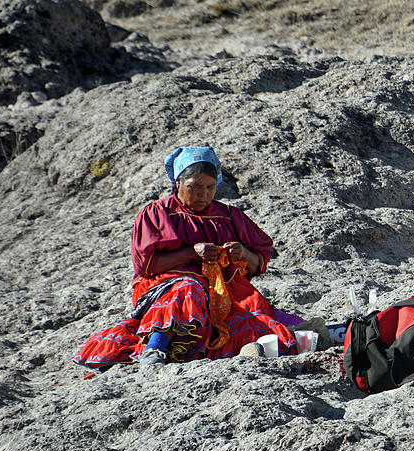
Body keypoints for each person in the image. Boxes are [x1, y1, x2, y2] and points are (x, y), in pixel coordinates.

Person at [74, 146, 300, 369]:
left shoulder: (230, 216)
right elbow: (147, 265)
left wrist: (243, 253)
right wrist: (191, 253)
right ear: (178, 183)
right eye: (195, 187)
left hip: (221, 290)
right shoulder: (158, 213)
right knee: (188, 288)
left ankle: (247, 348)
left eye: (210, 187)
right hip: (165, 285)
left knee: (254, 315)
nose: (204, 194)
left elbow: (259, 262)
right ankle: (156, 347)